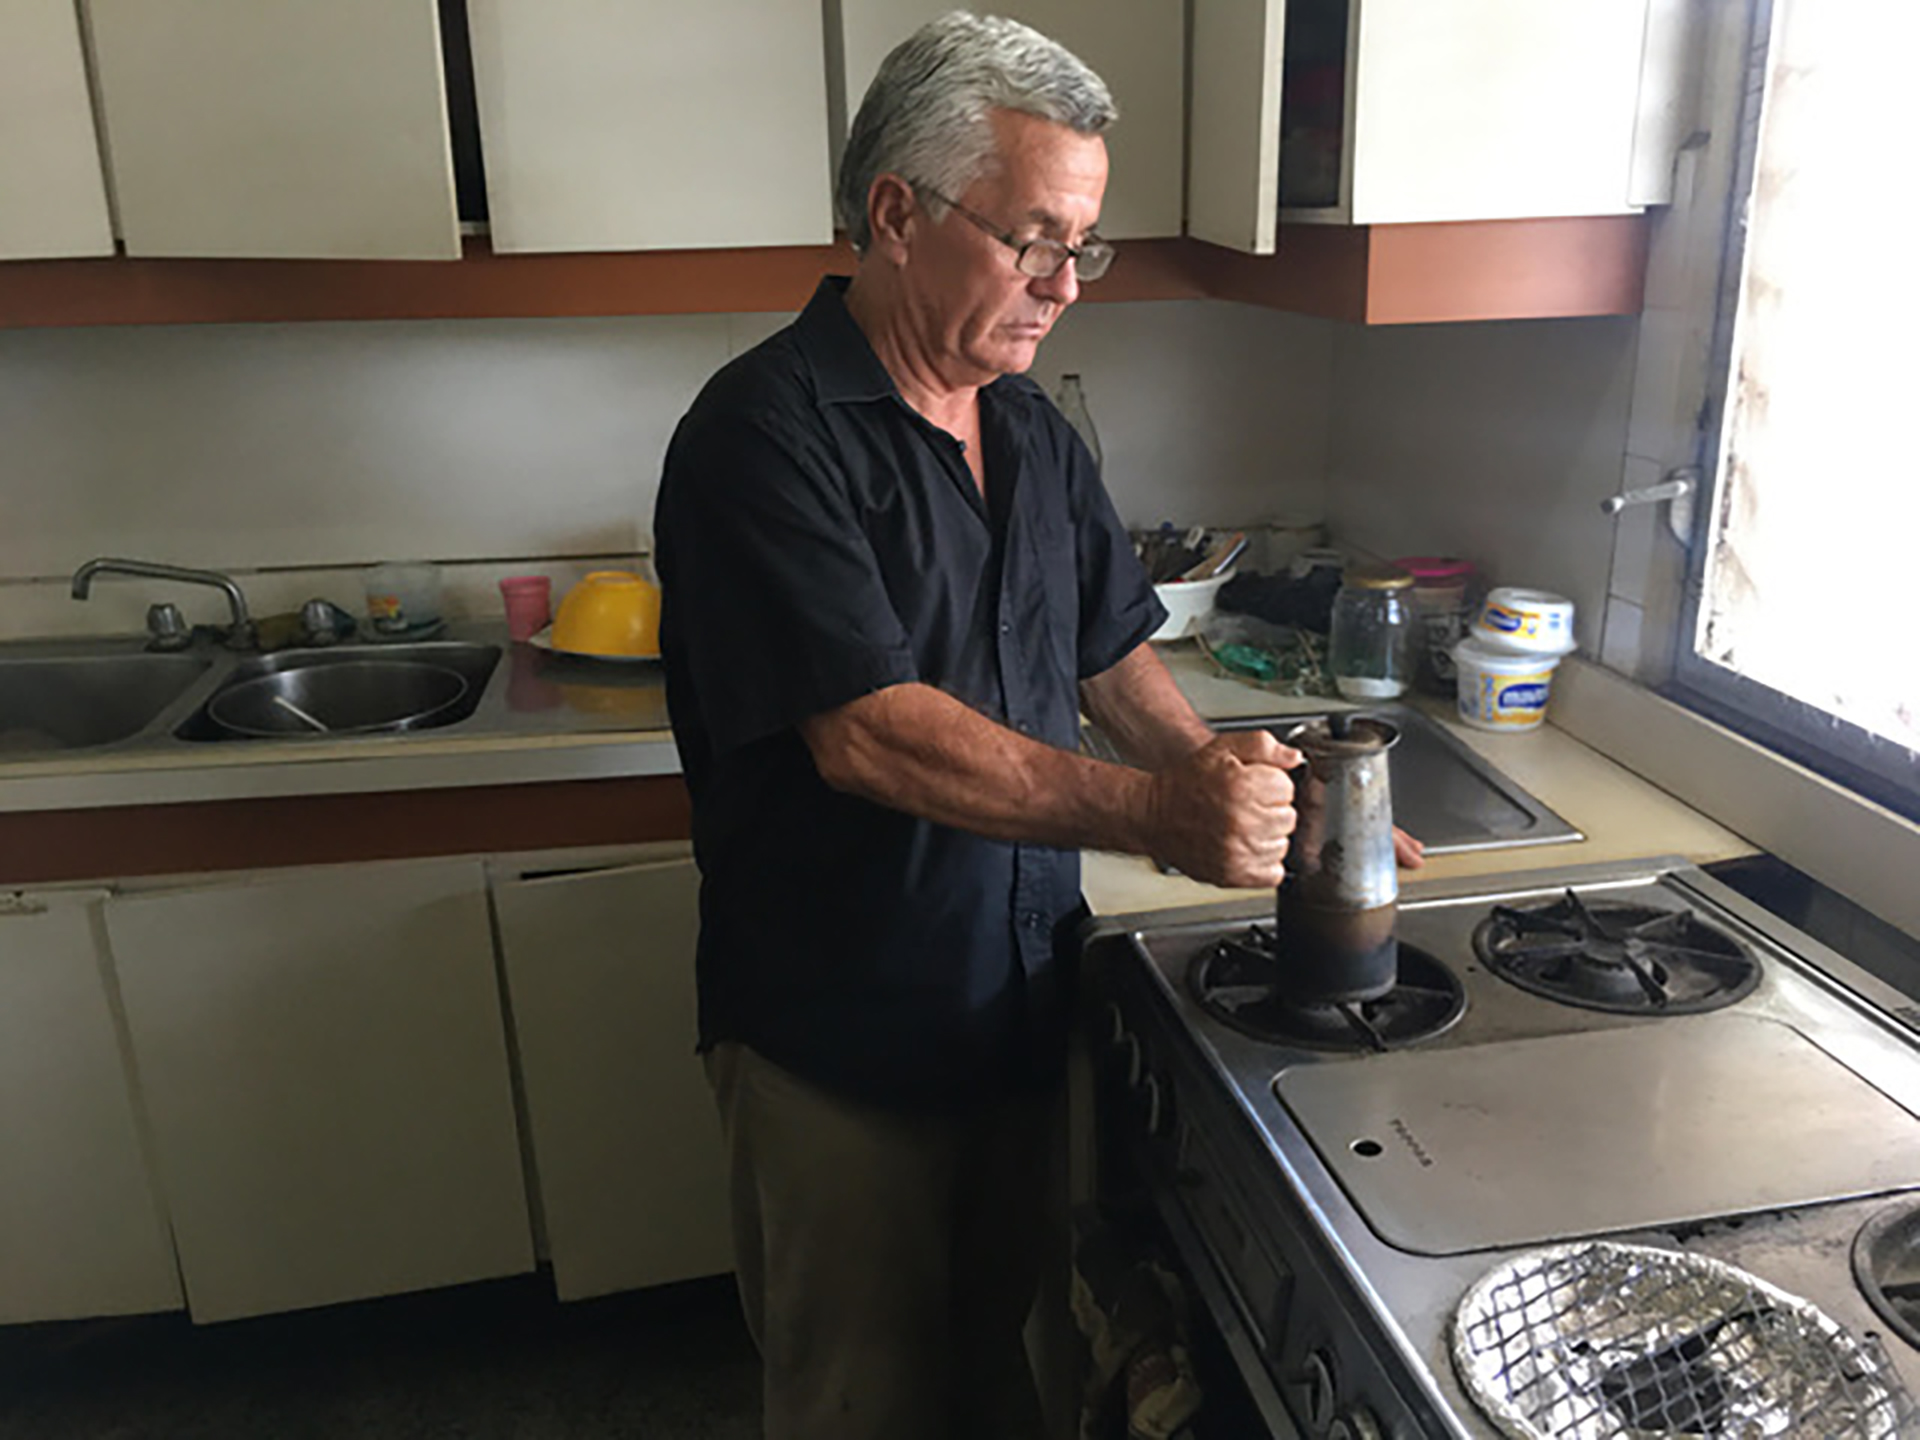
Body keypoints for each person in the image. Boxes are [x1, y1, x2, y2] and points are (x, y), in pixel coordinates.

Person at [653, 13, 1420, 1438]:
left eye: (1086, 248)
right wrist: (1159, 816)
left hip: (1011, 1008)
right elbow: (868, 736)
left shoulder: (1031, 429)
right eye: (1036, 240)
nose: (1067, 286)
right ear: (897, 212)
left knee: (990, 1366)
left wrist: (1233, 785)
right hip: (837, 1046)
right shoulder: (759, 438)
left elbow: (1111, 650)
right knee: (858, 1403)